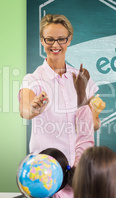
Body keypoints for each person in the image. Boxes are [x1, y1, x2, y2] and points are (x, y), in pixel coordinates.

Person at [18, 13, 99, 167]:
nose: (55, 45)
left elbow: (94, 125)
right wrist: (35, 109)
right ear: (42, 40)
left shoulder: (81, 78)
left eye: (61, 39)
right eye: (49, 39)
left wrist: (92, 119)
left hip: (79, 165)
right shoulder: (32, 79)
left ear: (69, 40)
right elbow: (25, 111)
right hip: (46, 169)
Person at [39, 64, 95, 198]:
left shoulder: (43, 191)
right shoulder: (80, 185)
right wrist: (81, 92)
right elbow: (85, 134)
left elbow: (85, 137)